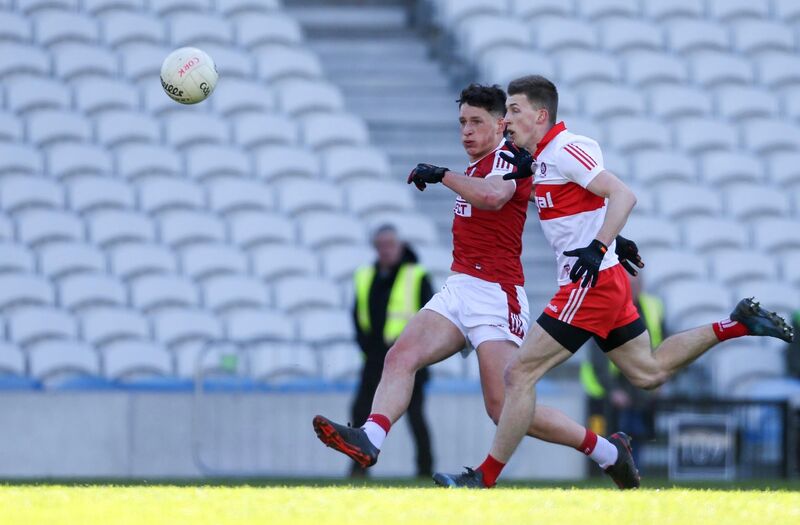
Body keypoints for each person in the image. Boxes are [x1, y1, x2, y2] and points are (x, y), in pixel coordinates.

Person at [432, 75, 795, 488]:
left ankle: (484, 477)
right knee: (649, 372)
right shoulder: (545, 157)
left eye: (514, 111)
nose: (507, 120)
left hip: (588, 283)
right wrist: (615, 241)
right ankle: (736, 325)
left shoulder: (566, 149)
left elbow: (623, 194)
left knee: (518, 376)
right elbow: (582, 205)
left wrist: (599, 245)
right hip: (605, 282)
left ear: (541, 114)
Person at [313, 83, 645, 489]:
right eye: (462, 123)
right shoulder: (479, 165)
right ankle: (370, 438)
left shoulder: (509, 159)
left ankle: (608, 452)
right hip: (461, 287)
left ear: (501, 124)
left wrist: (441, 175)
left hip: (496, 294)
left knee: (503, 407)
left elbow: (494, 196)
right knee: (400, 356)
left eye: (476, 122)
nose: (466, 131)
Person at [351, 224, 434, 477]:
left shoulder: (417, 275)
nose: (385, 251)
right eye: (381, 246)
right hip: (374, 358)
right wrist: (367, 347)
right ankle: (357, 466)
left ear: (400, 246)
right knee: (359, 412)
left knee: (415, 416)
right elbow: (357, 314)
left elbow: (429, 317)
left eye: (390, 245)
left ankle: (424, 469)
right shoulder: (365, 276)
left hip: (410, 359)